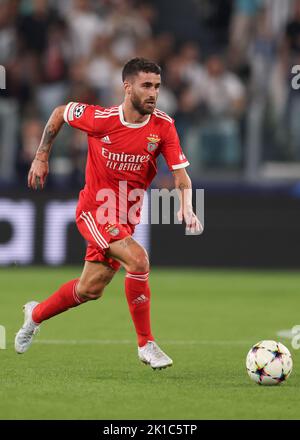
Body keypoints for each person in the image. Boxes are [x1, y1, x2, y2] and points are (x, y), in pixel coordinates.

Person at [15, 57, 202, 369]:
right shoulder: (100, 119)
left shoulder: (164, 127)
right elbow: (60, 113)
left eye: (156, 86)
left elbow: (181, 176)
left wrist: (187, 208)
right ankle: (147, 344)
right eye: (146, 86)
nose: (153, 92)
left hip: (126, 217)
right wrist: (41, 156)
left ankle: (34, 315)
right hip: (95, 210)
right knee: (139, 259)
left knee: (90, 289)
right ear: (127, 87)